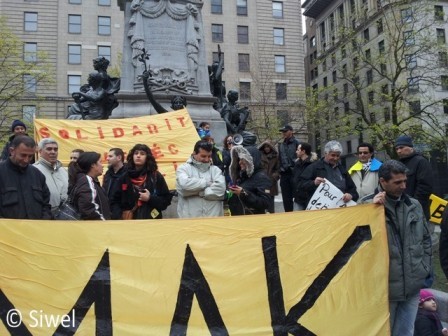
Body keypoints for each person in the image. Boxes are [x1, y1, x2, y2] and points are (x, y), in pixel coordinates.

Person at [361, 160, 431, 336]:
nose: (403, 186)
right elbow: (356, 246)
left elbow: (426, 239)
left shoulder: (414, 205)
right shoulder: (365, 206)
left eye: (405, 181)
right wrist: (370, 211)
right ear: (383, 182)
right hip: (385, 289)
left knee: (406, 332)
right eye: (397, 182)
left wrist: (424, 267)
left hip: (413, 286)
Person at [111, 144, 172, 220]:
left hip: (152, 222)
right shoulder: (124, 177)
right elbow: (114, 200)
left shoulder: (156, 176)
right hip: (129, 223)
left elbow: (166, 200)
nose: (138, 156)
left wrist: (150, 198)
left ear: (147, 157)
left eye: (142, 154)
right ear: (132, 156)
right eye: (136, 153)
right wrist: (120, 215)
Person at [0, 135, 51, 219]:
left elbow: (45, 205)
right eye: (23, 155)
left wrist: (44, 222)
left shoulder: (37, 175)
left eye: (30, 156)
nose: (26, 160)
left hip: (35, 229)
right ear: (12, 151)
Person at [298, 140, 359, 206]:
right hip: (320, 209)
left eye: (338, 156)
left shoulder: (342, 169)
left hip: (340, 208)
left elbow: (353, 190)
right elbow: (300, 186)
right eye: (333, 155)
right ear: (325, 153)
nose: (335, 158)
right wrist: (313, 183)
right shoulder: (314, 168)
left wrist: (350, 195)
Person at [176, 140, 226, 218]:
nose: (207, 159)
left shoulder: (216, 170)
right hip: (190, 221)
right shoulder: (183, 168)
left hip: (214, 220)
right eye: (203, 156)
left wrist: (198, 192)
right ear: (194, 153)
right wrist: (207, 183)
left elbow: (221, 189)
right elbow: (184, 186)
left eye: (209, 156)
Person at [395, 135, 433, 221]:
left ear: (411, 147)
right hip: (401, 210)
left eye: (401, 147)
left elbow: (425, 187)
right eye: (396, 149)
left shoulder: (421, 161)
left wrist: (413, 205)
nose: (399, 151)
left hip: (417, 211)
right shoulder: (397, 163)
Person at [227, 145, 272, 215]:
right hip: (238, 220)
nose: (240, 162)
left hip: (252, 221)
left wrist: (243, 194)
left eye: (243, 159)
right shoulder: (242, 177)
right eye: (239, 159)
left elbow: (265, 203)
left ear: (251, 160)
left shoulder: (262, 178)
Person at [33, 138, 68, 216]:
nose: (53, 152)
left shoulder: (64, 170)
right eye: (49, 149)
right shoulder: (34, 170)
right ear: (40, 152)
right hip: (45, 217)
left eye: (55, 149)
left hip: (66, 217)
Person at [72, 152, 111, 220]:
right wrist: (103, 221)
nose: (102, 165)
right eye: (100, 162)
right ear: (93, 165)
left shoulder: (90, 180)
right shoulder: (86, 180)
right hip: (97, 227)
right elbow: (88, 208)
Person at [278, 125, 301, 212]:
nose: (283, 133)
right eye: (282, 132)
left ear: (291, 131)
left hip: (295, 173)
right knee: (286, 199)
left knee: (298, 196)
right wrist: (280, 169)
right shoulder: (281, 145)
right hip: (284, 174)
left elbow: (301, 157)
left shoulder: (297, 143)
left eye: (285, 131)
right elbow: (280, 158)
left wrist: (294, 166)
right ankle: (288, 216)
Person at [293, 142, 318, 210]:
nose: (296, 152)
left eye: (298, 150)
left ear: (303, 151)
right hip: (298, 198)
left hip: (310, 199)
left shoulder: (314, 165)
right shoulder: (297, 164)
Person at [103, 148, 127, 219]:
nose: (107, 158)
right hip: (107, 211)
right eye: (107, 156)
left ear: (119, 157)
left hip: (122, 213)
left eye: (110, 156)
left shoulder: (128, 173)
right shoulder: (108, 174)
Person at [258, 141, 280, 213]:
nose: (266, 148)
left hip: (271, 182)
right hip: (261, 181)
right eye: (265, 147)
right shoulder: (259, 156)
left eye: (268, 147)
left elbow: (278, 169)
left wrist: (274, 177)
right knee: (262, 199)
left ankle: (271, 215)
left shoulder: (275, 156)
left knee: (270, 200)